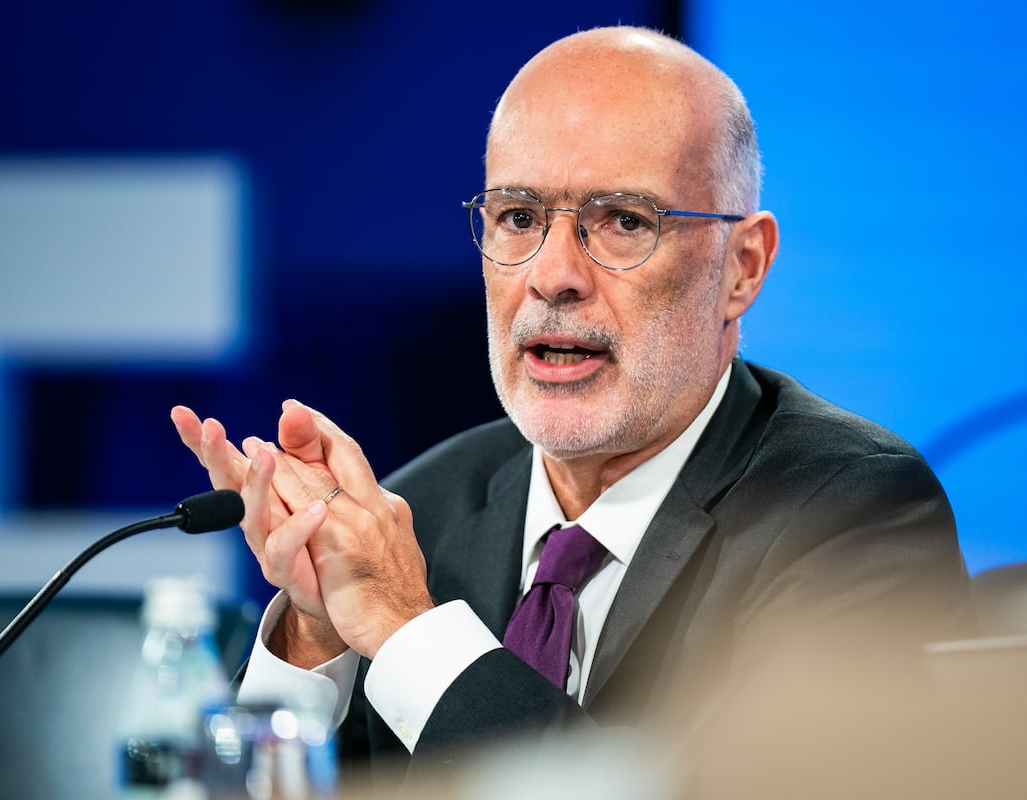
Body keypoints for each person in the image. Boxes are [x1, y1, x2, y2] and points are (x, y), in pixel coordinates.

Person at [171, 25, 972, 789]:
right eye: (519, 218)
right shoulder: (426, 510)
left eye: (623, 221)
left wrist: (410, 632)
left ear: (743, 268)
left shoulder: (850, 515)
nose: (553, 276)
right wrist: (314, 635)